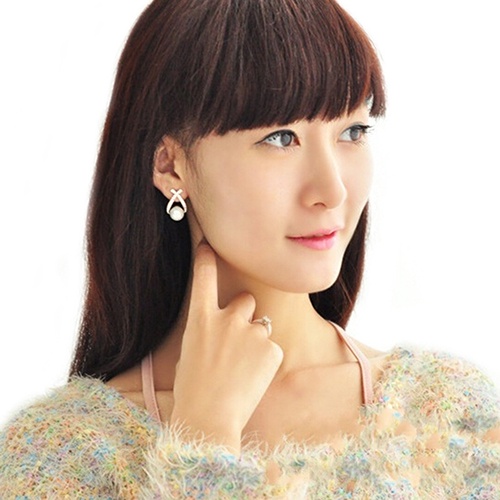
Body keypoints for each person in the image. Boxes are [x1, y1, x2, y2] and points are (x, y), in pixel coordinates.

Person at [1, 0, 499, 497]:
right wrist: (205, 432)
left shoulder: (447, 416)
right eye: (281, 138)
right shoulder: (61, 455)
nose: (332, 190)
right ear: (171, 166)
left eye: (352, 132)